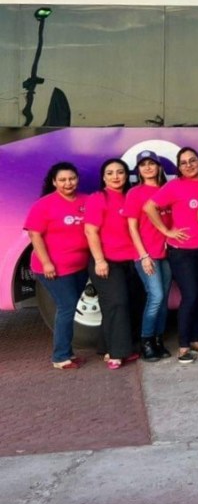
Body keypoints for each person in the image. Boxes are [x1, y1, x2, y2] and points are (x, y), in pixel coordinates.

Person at [145, 147, 198, 364]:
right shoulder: (174, 186)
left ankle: (196, 339)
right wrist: (166, 231)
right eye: (183, 163)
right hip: (182, 252)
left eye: (192, 160)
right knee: (191, 295)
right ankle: (184, 346)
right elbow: (149, 207)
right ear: (179, 167)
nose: (189, 165)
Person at [24, 162, 89, 370]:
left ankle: (67, 352)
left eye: (71, 178)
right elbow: (35, 235)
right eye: (62, 180)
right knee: (67, 306)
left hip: (79, 267)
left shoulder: (86, 201)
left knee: (68, 306)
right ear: (54, 182)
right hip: (54, 269)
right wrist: (46, 263)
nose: (68, 183)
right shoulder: (44, 204)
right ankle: (60, 357)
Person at [84, 158, 142, 370]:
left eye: (120, 172)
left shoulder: (131, 196)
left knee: (131, 303)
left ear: (127, 175)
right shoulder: (98, 198)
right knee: (117, 303)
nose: (115, 177)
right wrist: (100, 260)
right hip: (107, 261)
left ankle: (107, 347)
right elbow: (90, 231)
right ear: (103, 177)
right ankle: (117, 353)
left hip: (132, 260)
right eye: (110, 173)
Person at [125, 151, 173, 361]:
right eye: (143, 165)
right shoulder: (135, 193)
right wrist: (143, 255)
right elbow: (132, 228)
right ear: (138, 170)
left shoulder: (167, 190)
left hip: (167, 254)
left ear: (159, 167)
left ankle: (158, 340)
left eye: (151, 164)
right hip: (146, 254)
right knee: (156, 297)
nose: (147, 168)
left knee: (164, 300)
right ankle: (146, 341)